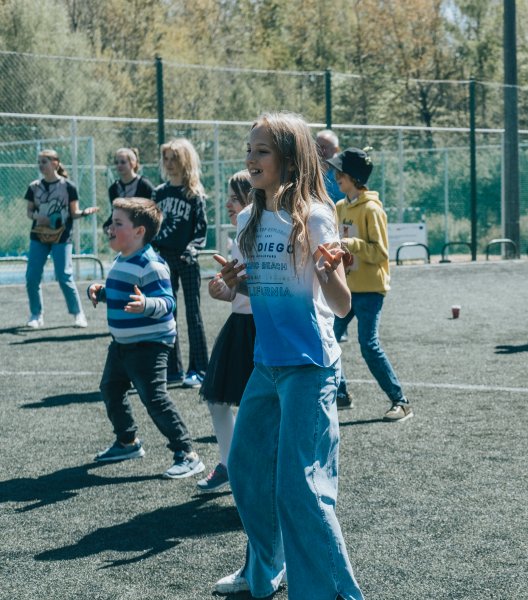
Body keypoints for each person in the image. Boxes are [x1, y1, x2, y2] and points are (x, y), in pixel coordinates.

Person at [211, 112, 362, 600]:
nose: (250, 158)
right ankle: (265, 567)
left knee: (301, 487)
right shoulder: (246, 219)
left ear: (289, 159)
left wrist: (330, 273)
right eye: (249, 149)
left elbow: (341, 305)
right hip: (266, 364)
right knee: (248, 472)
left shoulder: (316, 215)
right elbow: (242, 290)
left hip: (310, 367)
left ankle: (333, 591)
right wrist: (228, 286)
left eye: (262, 151)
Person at [88, 197, 204, 479]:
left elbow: (167, 302)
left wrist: (146, 305)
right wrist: (101, 292)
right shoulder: (121, 260)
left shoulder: (151, 264)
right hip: (121, 346)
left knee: (155, 398)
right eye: (111, 222)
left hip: (149, 346)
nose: (110, 228)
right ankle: (127, 442)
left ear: (139, 231)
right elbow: (121, 291)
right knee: (110, 389)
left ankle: (187, 454)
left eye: (118, 223)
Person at [327, 147, 412, 422]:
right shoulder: (339, 208)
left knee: (368, 345)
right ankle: (341, 394)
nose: (336, 176)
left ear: (354, 176)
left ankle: (401, 401)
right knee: (328, 337)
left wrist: (349, 244)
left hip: (370, 290)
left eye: (341, 172)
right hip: (345, 289)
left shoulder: (372, 209)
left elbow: (380, 252)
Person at [196, 170, 254, 493]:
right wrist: (226, 292)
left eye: (235, 197)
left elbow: (265, 290)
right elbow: (241, 291)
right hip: (239, 327)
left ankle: (249, 473)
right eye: (229, 198)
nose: (229, 205)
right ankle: (229, 463)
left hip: (260, 331)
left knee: (255, 408)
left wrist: (237, 288)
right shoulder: (236, 238)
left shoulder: (258, 233)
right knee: (217, 401)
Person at [152, 138, 209, 388]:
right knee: (167, 313)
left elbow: (201, 231)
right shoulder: (159, 193)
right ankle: (172, 369)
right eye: (166, 158)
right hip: (163, 260)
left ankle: (199, 369)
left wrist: (191, 249)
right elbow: (152, 228)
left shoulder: (194, 194)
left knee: (193, 314)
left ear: (185, 160)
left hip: (186, 260)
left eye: (175, 158)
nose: (170, 164)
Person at [24, 149, 99, 329]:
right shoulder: (34, 186)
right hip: (38, 236)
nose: (41, 165)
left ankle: (78, 314)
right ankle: (36, 314)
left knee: (64, 276)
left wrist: (84, 213)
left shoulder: (68, 187)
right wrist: (37, 217)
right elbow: (29, 211)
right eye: (39, 162)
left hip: (62, 237)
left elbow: (73, 213)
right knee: (32, 276)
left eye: (45, 161)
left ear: (56, 163)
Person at [103, 148, 154, 233]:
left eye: (123, 162)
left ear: (132, 163)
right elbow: (115, 213)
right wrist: (108, 226)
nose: (119, 165)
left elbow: (153, 211)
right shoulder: (113, 189)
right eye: (117, 163)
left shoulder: (144, 185)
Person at [317, 129, 345, 203]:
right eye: (317, 146)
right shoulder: (309, 171)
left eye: (323, 147)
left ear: (336, 149)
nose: (319, 150)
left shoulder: (345, 173)